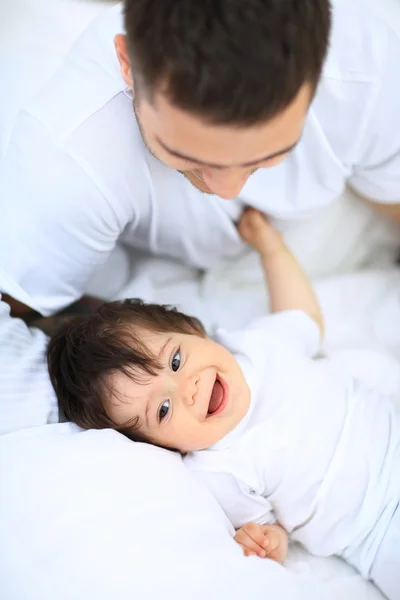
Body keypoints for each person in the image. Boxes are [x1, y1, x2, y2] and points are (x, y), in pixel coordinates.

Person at [47, 208, 400, 600]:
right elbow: (275, 528)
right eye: (162, 411)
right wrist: (268, 541)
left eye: (176, 361)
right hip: (376, 531)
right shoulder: (217, 469)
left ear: (194, 330)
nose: (188, 390)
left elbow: (302, 317)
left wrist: (271, 250)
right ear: (161, 447)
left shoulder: (258, 347)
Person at [1, 0, 400, 323]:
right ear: (127, 65)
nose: (228, 190)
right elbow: (18, 315)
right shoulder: (69, 162)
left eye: (269, 154)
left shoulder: (370, 69)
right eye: (185, 155)